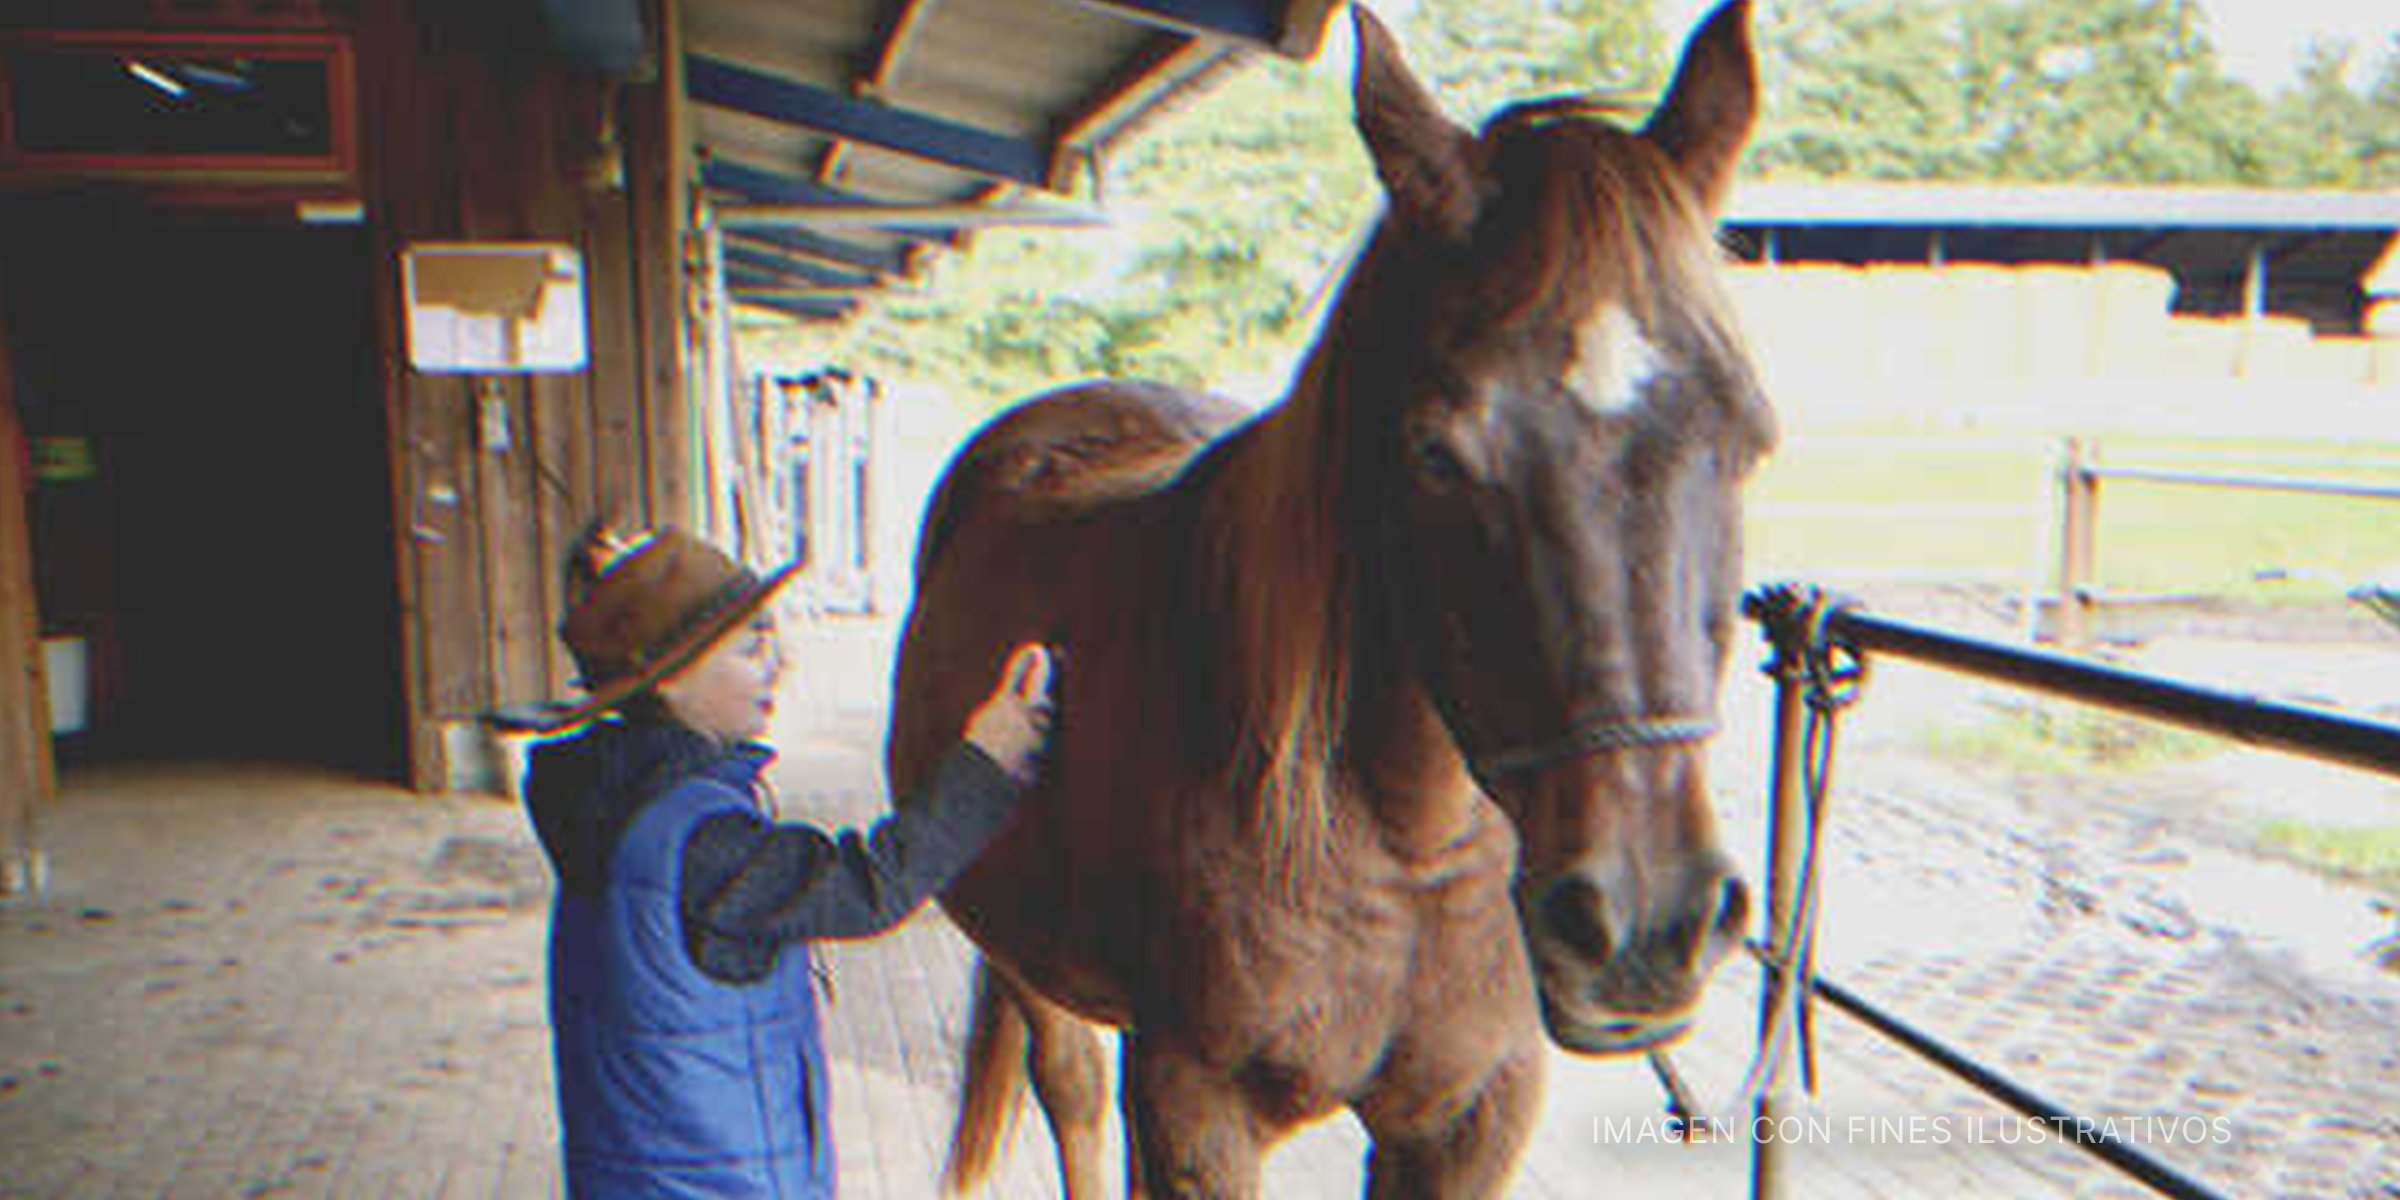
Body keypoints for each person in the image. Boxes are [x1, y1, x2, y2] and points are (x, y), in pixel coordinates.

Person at [515, 524, 1054, 1199]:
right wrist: (989, 756)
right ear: (672, 680)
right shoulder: (700, 842)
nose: (781, 664)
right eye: (750, 647)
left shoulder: (611, 800)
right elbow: (870, 887)